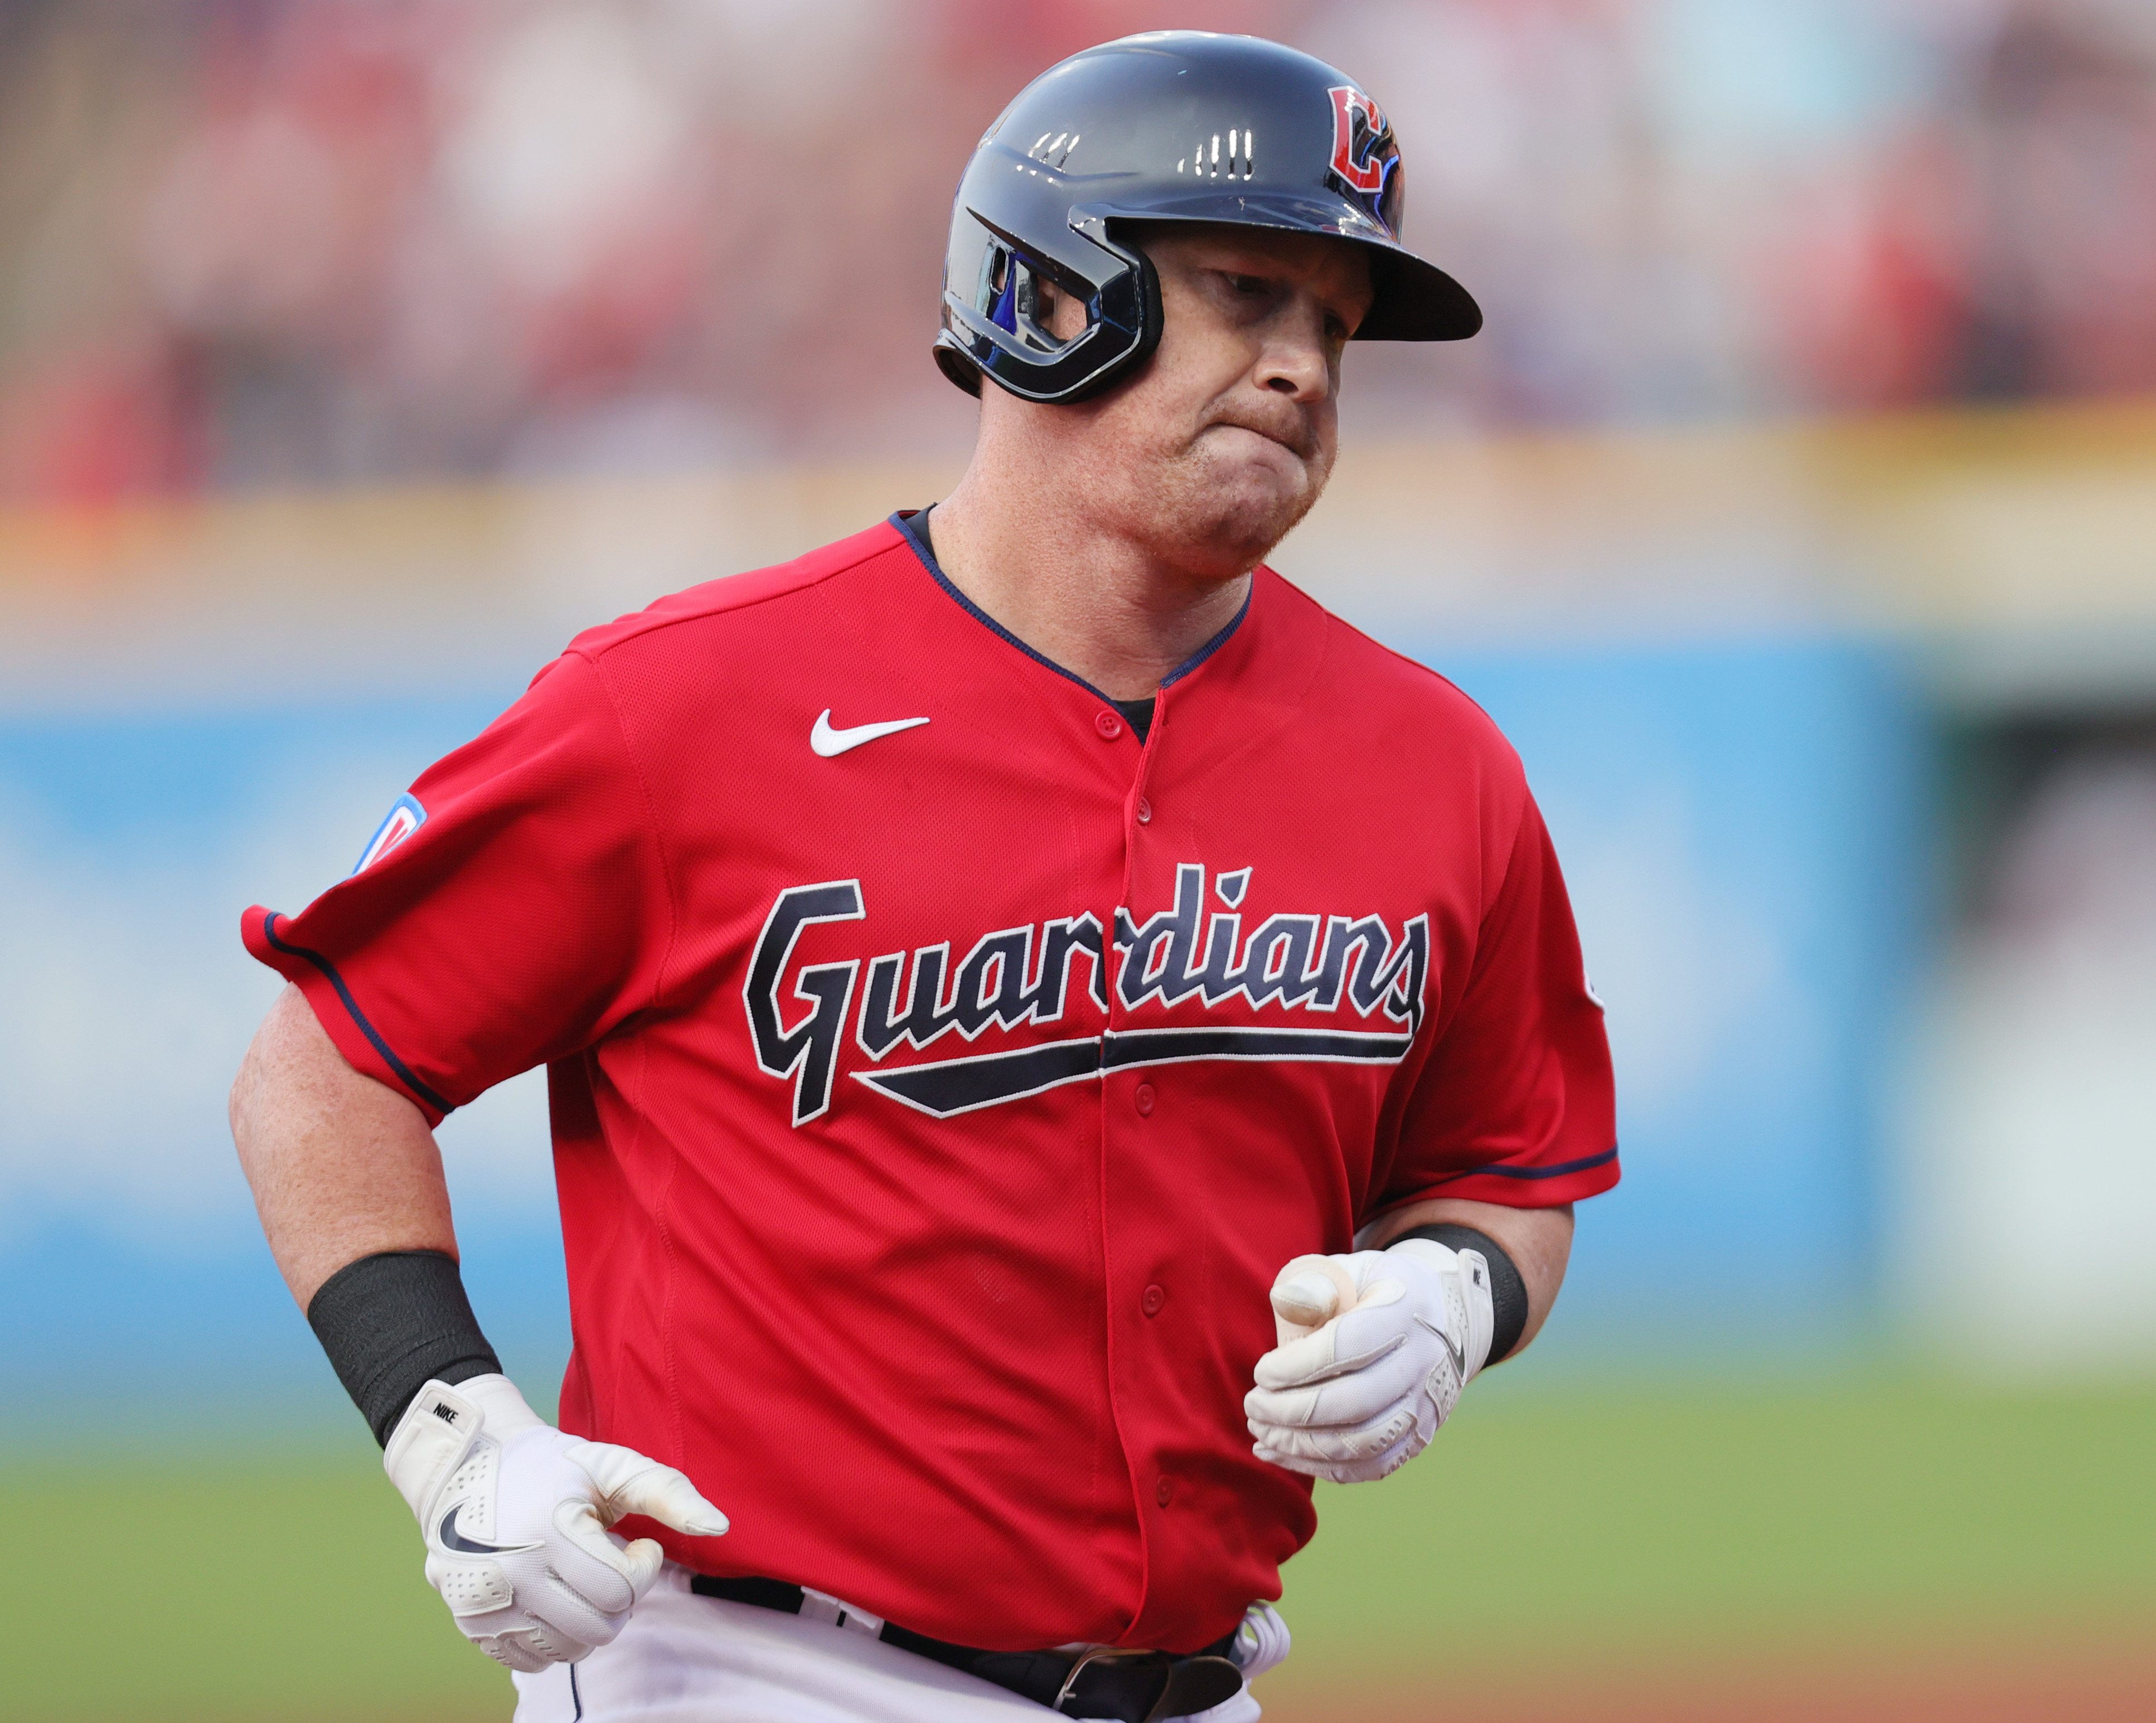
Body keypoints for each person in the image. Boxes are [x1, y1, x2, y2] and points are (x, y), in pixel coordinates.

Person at [230, 31, 1617, 1723]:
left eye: (1334, 324)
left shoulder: (1433, 763)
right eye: (1248, 291)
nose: (1303, 365)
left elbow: (1506, 1162)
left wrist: (1455, 1291)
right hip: (754, 1669)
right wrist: (454, 1429)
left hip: (1202, 1686)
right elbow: (325, 1063)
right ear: (1045, 293)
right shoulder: (686, 703)